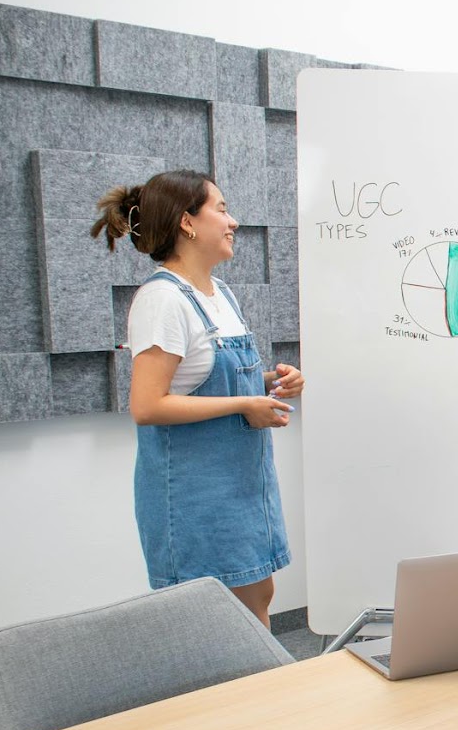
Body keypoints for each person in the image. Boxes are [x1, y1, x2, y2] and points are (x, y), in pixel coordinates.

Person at [91, 170, 302, 623]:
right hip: (195, 495)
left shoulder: (219, 293)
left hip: (242, 484)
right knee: (225, 619)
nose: (234, 222)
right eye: (222, 210)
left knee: (257, 595)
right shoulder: (162, 301)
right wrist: (244, 404)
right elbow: (148, 406)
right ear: (187, 222)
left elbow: (202, 377)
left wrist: (268, 382)